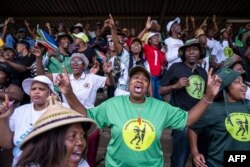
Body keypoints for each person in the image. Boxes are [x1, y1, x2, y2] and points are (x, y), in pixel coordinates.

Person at [55, 64, 221, 167]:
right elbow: (87, 115)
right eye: (135, 78)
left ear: (149, 87)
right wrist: (68, 93)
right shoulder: (113, 104)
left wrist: (209, 96)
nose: (139, 81)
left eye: (144, 79)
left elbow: (189, 119)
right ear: (129, 84)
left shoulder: (161, 108)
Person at [0, 75, 82, 166]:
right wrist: (3, 118)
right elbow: (6, 144)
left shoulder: (62, 108)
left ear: (50, 93)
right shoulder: (20, 111)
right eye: (33, 89)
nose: (36, 92)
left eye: (41, 89)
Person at [188, 67, 250, 167]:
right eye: (237, 82)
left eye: (243, 82)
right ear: (226, 87)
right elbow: (192, 128)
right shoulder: (212, 108)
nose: (243, 85)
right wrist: (195, 153)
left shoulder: (248, 105)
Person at [159, 38, 207, 167]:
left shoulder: (203, 72)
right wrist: (175, 86)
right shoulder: (176, 68)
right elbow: (161, 90)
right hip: (182, 120)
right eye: (188, 50)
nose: (191, 52)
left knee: (200, 159)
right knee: (179, 160)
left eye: (195, 49)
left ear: (200, 52)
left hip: (200, 121)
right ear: (183, 53)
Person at [16, 95, 97, 167]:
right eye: (73, 136)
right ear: (50, 141)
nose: (81, 142)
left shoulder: (82, 164)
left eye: (82, 135)